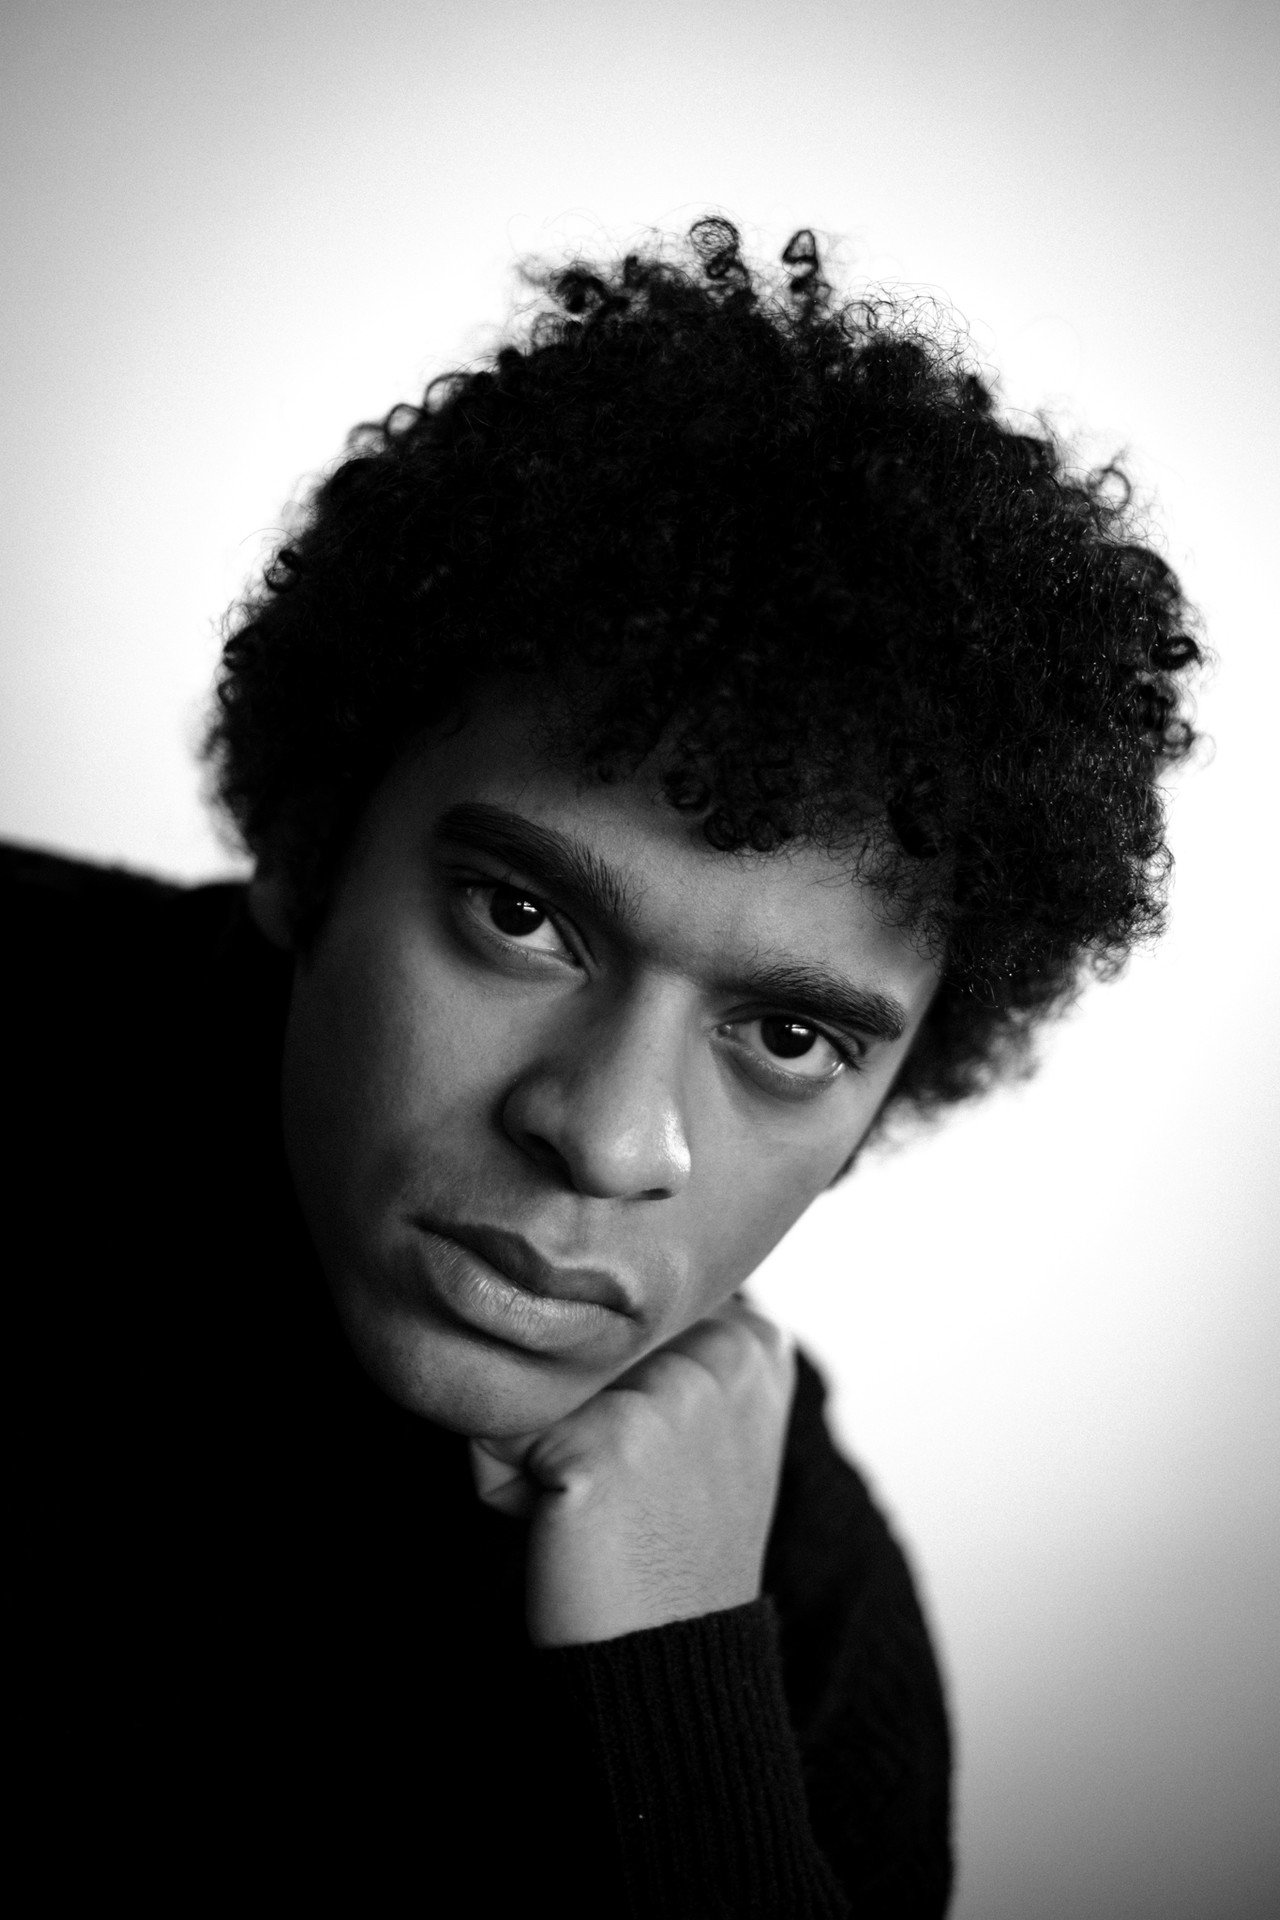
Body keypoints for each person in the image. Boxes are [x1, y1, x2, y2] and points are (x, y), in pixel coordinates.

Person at [7, 217, 1201, 1915]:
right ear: (310, 842)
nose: (612, 1137)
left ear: (885, 1097)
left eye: (788, 1036)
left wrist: (673, 1699)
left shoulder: (794, 1623)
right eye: (522, 917)